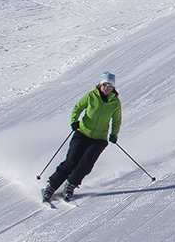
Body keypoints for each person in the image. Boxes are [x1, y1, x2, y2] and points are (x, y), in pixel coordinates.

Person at [41, 72, 122, 202]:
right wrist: (74, 121)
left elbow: (117, 120)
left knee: (86, 164)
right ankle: (51, 186)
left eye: (110, 86)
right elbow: (78, 107)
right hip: (83, 133)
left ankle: (70, 184)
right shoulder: (91, 96)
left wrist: (114, 134)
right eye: (105, 85)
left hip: (99, 139)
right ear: (100, 84)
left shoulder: (115, 102)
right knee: (71, 161)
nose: (107, 88)